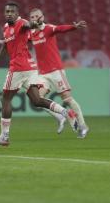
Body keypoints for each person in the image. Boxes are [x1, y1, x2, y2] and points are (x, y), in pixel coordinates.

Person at [0, 2, 78, 146]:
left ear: (17, 14)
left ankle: (4, 136)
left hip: (18, 68)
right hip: (30, 68)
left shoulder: (22, 23)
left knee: (5, 100)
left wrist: (35, 23)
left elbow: (30, 25)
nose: (9, 13)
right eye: (7, 11)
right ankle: (65, 113)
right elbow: (5, 48)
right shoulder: (6, 28)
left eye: (12, 11)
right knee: (36, 100)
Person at [28, 8, 89, 138]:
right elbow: (19, 39)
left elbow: (61, 28)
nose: (34, 19)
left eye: (37, 16)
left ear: (42, 17)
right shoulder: (31, 33)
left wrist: (74, 27)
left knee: (67, 99)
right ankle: (62, 115)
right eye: (32, 17)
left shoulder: (49, 29)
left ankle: (83, 126)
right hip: (42, 74)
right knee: (37, 100)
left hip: (56, 71)